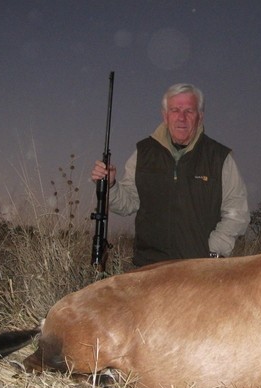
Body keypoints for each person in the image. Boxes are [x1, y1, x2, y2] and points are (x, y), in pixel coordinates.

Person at [91, 83, 249, 267]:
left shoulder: (220, 157)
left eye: (189, 111)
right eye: (175, 110)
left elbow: (237, 213)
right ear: (165, 116)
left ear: (200, 117)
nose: (181, 118)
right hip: (148, 267)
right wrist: (111, 186)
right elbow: (127, 204)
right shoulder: (143, 152)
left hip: (200, 270)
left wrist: (212, 250)